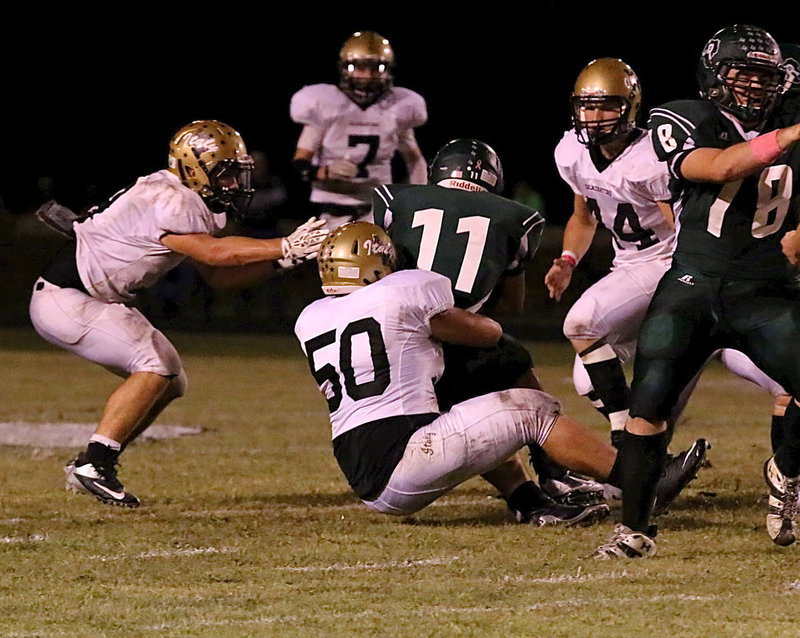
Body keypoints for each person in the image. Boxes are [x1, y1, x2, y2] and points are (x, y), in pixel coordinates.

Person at [372, 139, 706, 521]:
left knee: (509, 361)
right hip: (438, 348)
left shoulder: (392, 198)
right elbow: (511, 304)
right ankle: (637, 477)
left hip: (392, 340)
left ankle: (540, 484)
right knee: (528, 403)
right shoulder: (515, 217)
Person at [295, 222, 705, 532]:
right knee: (531, 408)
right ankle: (640, 479)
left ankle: (529, 500)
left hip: (360, 460)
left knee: (470, 409)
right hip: (406, 455)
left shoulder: (310, 318)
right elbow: (486, 332)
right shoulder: (401, 289)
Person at [29, 120, 329, 508]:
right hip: (68, 299)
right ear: (192, 168)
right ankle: (95, 465)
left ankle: (96, 459)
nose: (234, 185)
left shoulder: (185, 200)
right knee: (154, 366)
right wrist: (282, 244)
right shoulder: (170, 197)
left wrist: (285, 261)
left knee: (171, 378)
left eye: (236, 174)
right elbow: (213, 253)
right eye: (225, 174)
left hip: (90, 299)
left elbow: (218, 277)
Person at [598, 24, 800, 557]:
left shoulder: (789, 119)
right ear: (715, 76)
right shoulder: (686, 116)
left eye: (765, 78)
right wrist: (790, 134)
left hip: (764, 290)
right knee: (647, 411)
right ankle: (634, 532)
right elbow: (717, 165)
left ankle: (786, 473)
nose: (755, 88)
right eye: (744, 75)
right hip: (692, 284)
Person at [545, 57, 787, 472]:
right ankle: (650, 458)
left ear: (630, 107)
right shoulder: (570, 151)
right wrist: (568, 260)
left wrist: (695, 278)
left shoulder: (651, 154)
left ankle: (629, 448)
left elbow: (682, 220)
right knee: (592, 380)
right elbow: (583, 215)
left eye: (606, 106)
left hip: (669, 262)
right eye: (587, 106)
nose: (595, 117)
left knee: (581, 323)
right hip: (628, 271)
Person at [290, 30, 427, 231]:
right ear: (345, 68)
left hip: (377, 209)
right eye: (359, 68)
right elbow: (300, 164)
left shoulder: (398, 106)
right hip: (331, 210)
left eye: (376, 68)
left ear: (387, 70)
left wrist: (420, 198)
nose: (367, 76)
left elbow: (414, 159)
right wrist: (325, 171)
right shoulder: (324, 103)